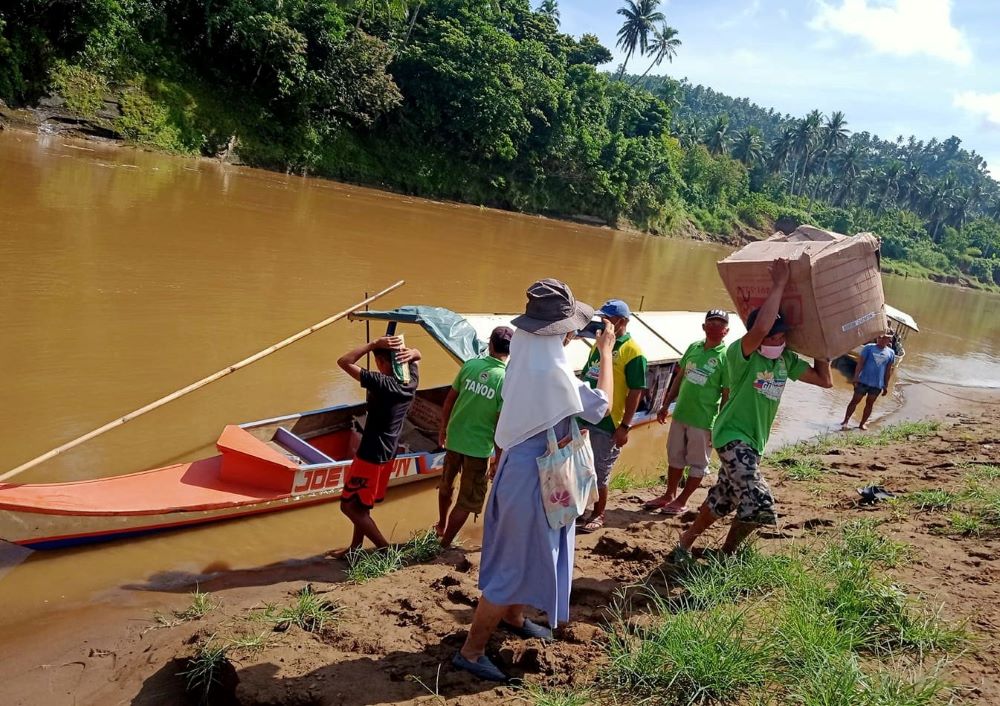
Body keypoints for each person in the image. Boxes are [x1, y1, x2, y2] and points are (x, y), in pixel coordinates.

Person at [453, 279, 614, 682]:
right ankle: (471, 651)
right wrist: (606, 353)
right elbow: (602, 406)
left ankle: (514, 615)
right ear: (561, 332)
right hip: (533, 477)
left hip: (519, 467)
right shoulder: (554, 375)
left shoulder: (524, 361)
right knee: (511, 564)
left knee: (522, 551)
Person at [672, 260, 832, 560]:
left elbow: (825, 381)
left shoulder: (787, 361)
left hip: (754, 443)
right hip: (732, 436)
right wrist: (779, 285)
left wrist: (823, 343)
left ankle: (686, 540)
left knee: (724, 498)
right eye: (773, 335)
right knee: (759, 500)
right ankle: (728, 554)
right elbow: (760, 328)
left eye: (782, 335)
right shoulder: (741, 354)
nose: (778, 340)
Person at [331, 335, 420, 558]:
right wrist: (416, 353)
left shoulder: (383, 383)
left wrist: (372, 345)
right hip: (387, 451)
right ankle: (355, 547)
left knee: (349, 506)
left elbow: (343, 362)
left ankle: (385, 549)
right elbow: (416, 357)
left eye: (378, 362)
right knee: (361, 503)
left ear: (382, 363)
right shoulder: (410, 381)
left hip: (372, 452)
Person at [643, 309, 731, 515]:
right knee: (675, 456)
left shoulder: (726, 357)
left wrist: (720, 424)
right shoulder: (694, 347)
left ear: (726, 331)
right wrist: (665, 404)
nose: (715, 327)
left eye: (720, 324)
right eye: (711, 323)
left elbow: (727, 394)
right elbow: (679, 377)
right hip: (681, 414)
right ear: (704, 326)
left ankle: (682, 500)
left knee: (698, 463)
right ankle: (669, 494)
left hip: (704, 420)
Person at [436, 326, 513, 548]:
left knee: (446, 485)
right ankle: (445, 543)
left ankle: (441, 526)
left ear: (490, 345)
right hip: (479, 449)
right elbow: (499, 423)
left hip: (455, 440)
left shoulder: (470, 365)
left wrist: (443, 429)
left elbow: (450, 399)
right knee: (468, 500)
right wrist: (498, 459)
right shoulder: (505, 379)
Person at [577, 299, 647, 533]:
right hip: (586, 417)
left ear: (622, 322)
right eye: (602, 318)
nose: (603, 323)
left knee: (600, 471)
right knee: (582, 467)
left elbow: (635, 392)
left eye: (608, 319)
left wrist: (625, 426)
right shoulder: (599, 344)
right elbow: (589, 374)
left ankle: (599, 513)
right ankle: (582, 509)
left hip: (609, 422)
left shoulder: (633, 352)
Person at [840, 330, 896, 430]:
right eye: (879, 337)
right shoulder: (868, 348)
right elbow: (860, 364)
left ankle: (862, 423)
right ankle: (845, 421)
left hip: (877, 384)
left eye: (884, 338)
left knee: (870, 404)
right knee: (854, 401)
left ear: (889, 340)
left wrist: (886, 385)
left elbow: (888, 371)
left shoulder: (891, 353)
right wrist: (856, 377)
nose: (881, 339)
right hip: (863, 381)